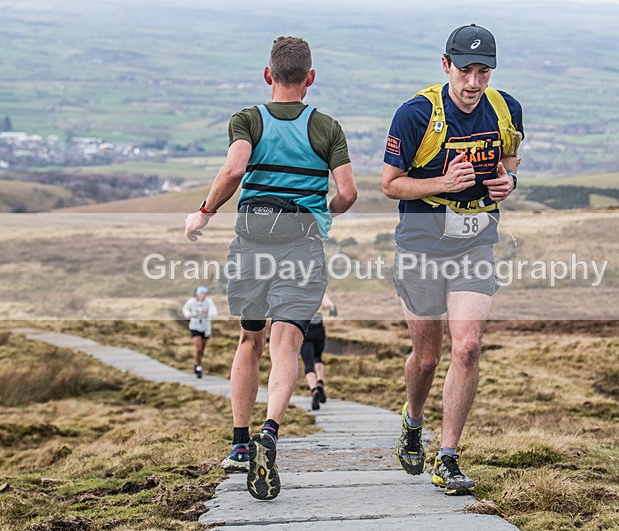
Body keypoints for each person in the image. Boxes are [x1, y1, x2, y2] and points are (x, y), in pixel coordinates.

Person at [184, 36, 356, 501]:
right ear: (310, 79)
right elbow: (347, 194)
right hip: (301, 248)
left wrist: (203, 212)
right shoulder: (327, 128)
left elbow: (235, 170)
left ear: (268, 75)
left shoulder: (248, 119)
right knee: (287, 342)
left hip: (251, 245)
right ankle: (271, 430)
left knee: (250, 339)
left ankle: (240, 445)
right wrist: (323, 210)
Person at [382, 24, 523, 495]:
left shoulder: (506, 109)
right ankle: (413, 420)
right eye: (465, 70)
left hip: (476, 242)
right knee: (426, 358)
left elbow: (510, 163)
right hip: (421, 245)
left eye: (484, 72)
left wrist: (509, 183)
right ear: (446, 65)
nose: (474, 83)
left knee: (467, 347)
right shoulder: (416, 114)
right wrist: (441, 184)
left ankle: (448, 456)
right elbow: (391, 184)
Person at [301, 292, 337, 410]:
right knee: (318, 357)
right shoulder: (319, 287)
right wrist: (333, 309)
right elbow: (327, 304)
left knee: (308, 364)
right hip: (319, 330)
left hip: (305, 330)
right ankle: (320, 382)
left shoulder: (296, 288)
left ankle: (314, 390)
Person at [182, 285, 218, 378]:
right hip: (195, 327)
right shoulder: (192, 301)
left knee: (202, 350)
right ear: (197, 294)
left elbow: (214, 313)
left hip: (206, 328)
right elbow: (185, 309)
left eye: (204, 293)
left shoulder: (209, 302)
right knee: (198, 348)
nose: (203, 295)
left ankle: (197, 363)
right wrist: (188, 314)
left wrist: (207, 312)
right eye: (201, 293)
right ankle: (199, 367)